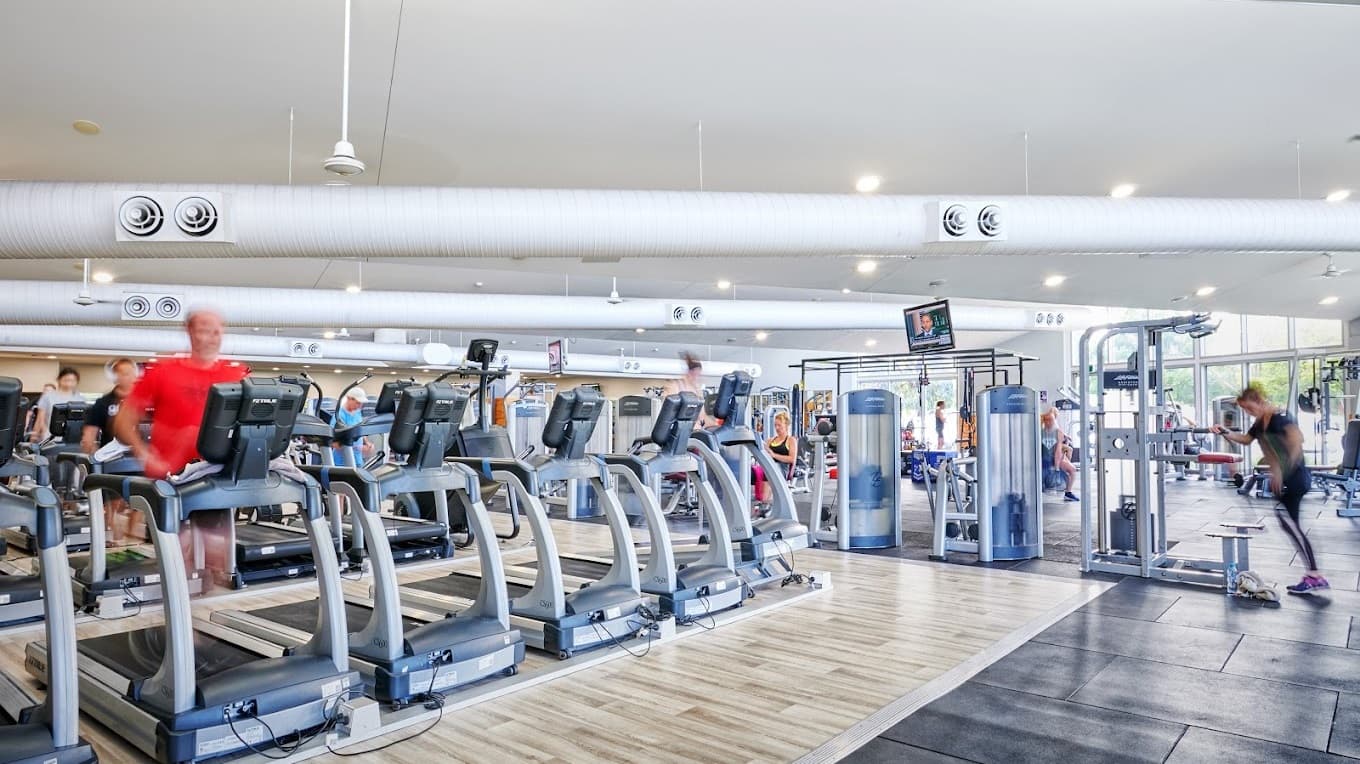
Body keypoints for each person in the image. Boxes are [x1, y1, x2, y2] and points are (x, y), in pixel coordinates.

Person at [113, 310, 247, 580]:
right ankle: (175, 611)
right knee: (177, 561)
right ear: (189, 331)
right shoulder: (163, 371)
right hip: (171, 477)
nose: (212, 337)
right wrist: (144, 453)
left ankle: (195, 613)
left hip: (213, 476)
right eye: (205, 330)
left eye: (218, 331)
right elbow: (123, 422)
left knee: (211, 565)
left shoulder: (235, 373)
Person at [1212, 382, 1328, 594]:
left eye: (1249, 408)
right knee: (1288, 523)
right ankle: (1313, 573)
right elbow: (1246, 440)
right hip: (1286, 480)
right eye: (1245, 409)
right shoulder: (1260, 423)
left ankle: (1314, 575)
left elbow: (1296, 442)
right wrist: (1224, 432)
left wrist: (1282, 472)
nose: (1247, 412)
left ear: (1259, 401)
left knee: (1290, 524)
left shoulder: (1280, 417)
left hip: (1296, 478)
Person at [82, 358, 139, 454]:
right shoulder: (103, 403)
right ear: (115, 377)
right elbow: (89, 434)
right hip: (111, 457)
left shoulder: (147, 400)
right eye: (124, 373)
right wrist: (95, 456)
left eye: (131, 373)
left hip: (143, 458)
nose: (129, 377)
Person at [30, 368, 83, 442]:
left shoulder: (80, 399)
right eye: (66, 380)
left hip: (72, 439)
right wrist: (33, 438)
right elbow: (40, 419)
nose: (69, 383)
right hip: (49, 437)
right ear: (59, 379)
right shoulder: (48, 396)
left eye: (72, 381)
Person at [1041, 408, 1079, 502]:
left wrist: (1057, 468)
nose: (1048, 422)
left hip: (1053, 458)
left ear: (1054, 419)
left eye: (1050, 419)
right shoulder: (1039, 431)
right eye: (1046, 419)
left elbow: (1058, 451)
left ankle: (1068, 493)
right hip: (1042, 458)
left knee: (1072, 470)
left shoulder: (1058, 432)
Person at [664, 352, 711, 429]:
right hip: (679, 429)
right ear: (688, 372)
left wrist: (716, 425)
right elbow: (668, 414)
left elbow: (702, 416)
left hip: (696, 430)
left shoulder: (697, 390)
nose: (696, 377)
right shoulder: (675, 386)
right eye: (694, 374)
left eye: (698, 374)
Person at [330, 387, 373, 465]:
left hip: (357, 460)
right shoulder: (339, 416)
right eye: (358, 403)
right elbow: (333, 443)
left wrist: (367, 443)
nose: (360, 406)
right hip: (342, 463)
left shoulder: (357, 412)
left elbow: (359, 430)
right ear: (349, 398)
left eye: (361, 404)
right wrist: (357, 448)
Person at [761, 411, 798, 503]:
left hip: (782, 468)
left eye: (779, 425)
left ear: (786, 425)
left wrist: (774, 455)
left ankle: (765, 503)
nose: (777, 428)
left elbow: (791, 459)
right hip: (770, 467)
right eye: (775, 425)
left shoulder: (791, 440)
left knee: (772, 470)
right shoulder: (770, 440)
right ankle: (764, 503)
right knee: (760, 471)